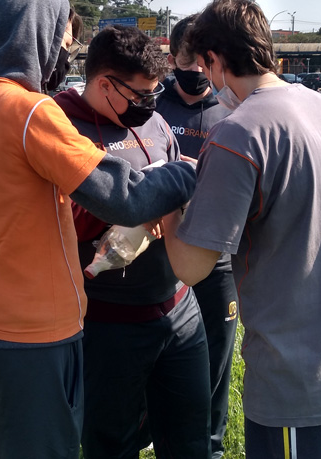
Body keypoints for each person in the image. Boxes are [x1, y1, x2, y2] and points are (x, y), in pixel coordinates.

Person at [0, 0, 196, 459]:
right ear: (36, 36)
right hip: (35, 333)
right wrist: (188, 172)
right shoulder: (32, 112)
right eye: (63, 44)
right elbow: (124, 199)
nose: (64, 58)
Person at [164, 0, 321, 459]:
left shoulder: (236, 131)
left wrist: (166, 193)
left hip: (295, 370)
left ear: (215, 59)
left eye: (205, 66)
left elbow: (191, 267)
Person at [55, 25, 210, 459]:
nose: (150, 103)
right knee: (111, 444)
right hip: (109, 322)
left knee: (190, 441)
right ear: (105, 84)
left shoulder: (153, 120)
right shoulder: (61, 124)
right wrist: (137, 207)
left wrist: (168, 202)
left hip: (179, 307)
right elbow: (61, 215)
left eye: (154, 92)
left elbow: (179, 179)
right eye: (141, 94)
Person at [155, 15, 235, 459]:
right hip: (159, 254)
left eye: (205, 60)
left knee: (216, 364)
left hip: (218, 257)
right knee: (161, 360)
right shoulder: (151, 104)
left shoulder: (232, 105)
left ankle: (211, 447)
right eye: (189, 61)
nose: (198, 70)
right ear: (172, 59)